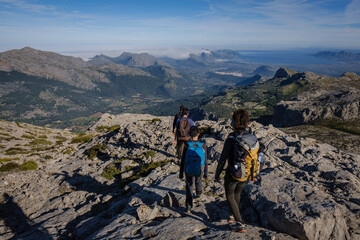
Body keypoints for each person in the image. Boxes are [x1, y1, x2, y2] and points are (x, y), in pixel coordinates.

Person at [215, 108, 264, 233]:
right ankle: (232, 216)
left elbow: (223, 158)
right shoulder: (251, 138)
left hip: (233, 173)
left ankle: (239, 222)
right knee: (237, 193)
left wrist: (217, 174)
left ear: (233, 122)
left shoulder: (232, 139)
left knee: (230, 195)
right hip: (247, 174)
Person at [179, 126, 208, 213]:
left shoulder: (187, 145)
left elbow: (183, 159)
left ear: (190, 135)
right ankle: (198, 194)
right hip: (200, 168)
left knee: (189, 185)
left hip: (188, 168)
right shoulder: (203, 145)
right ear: (198, 134)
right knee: (198, 180)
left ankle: (188, 205)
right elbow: (205, 160)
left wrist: (181, 173)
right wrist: (206, 172)